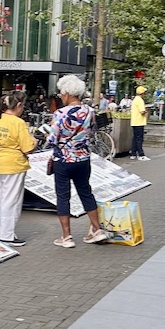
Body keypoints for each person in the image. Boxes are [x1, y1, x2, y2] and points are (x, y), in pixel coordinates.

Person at [47, 74, 108, 248]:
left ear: (67, 93)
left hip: (63, 160)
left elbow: (52, 138)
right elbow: (91, 131)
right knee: (85, 192)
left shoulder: (59, 113)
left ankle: (66, 237)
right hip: (83, 158)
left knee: (63, 196)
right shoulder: (90, 111)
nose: (60, 96)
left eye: (61, 93)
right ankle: (96, 230)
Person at [0, 91, 37, 247]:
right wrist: (35, 141)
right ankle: (7, 235)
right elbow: (27, 148)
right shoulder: (18, 123)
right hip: (13, 164)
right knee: (11, 200)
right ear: (19, 105)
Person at [129, 86, 149, 160]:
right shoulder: (140, 101)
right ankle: (141, 155)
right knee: (139, 138)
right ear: (142, 93)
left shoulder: (135, 100)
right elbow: (142, 112)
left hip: (134, 121)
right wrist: (146, 111)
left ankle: (133, 153)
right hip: (139, 122)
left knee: (135, 138)